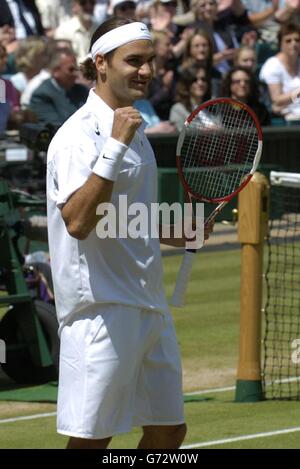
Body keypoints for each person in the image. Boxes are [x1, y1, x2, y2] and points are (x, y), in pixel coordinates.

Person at [47, 16, 213, 449]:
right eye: (134, 61)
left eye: (151, 61)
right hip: (100, 312)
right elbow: (79, 222)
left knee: (168, 431)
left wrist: (179, 230)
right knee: (92, 442)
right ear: (100, 62)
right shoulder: (77, 136)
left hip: (148, 307)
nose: (146, 70)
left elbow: (124, 216)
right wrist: (115, 146)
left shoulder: (133, 129)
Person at [259, 22, 300, 121]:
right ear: (280, 44)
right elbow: (277, 100)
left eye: (297, 40)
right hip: (286, 118)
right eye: (288, 41)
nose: (293, 43)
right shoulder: (272, 65)